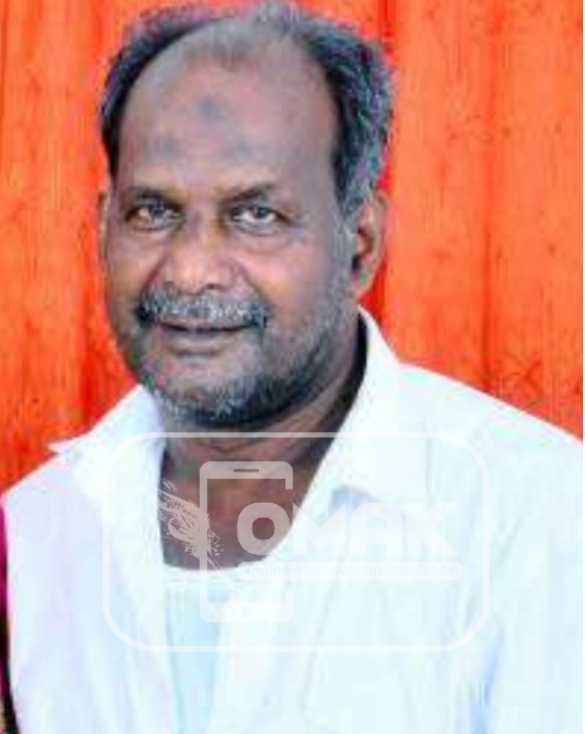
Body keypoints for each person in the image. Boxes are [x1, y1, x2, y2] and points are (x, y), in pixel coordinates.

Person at [1, 2, 581, 733]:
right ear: (101, 231)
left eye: (256, 215)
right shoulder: (34, 539)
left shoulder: (538, 519)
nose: (191, 269)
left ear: (359, 244)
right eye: (152, 211)